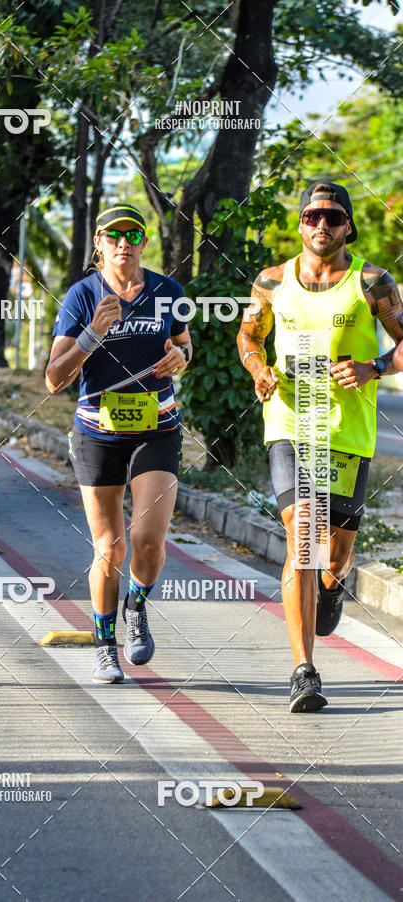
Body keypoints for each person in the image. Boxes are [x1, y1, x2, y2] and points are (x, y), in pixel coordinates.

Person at [237, 180, 403, 713]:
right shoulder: (271, 281)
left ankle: (335, 583)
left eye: (332, 217)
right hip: (290, 419)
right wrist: (260, 370)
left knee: (335, 550)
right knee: (301, 533)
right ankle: (303, 670)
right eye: (312, 216)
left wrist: (374, 366)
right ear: (301, 223)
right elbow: (248, 337)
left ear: (347, 225)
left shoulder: (373, 282)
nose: (321, 225)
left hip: (347, 429)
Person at [45, 203, 192, 683]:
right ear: (99, 245)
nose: (123, 243)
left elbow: (184, 343)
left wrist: (180, 358)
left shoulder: (168, 291)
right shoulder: (82, 295)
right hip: (98, 433)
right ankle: (105, 645)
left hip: (158, 427)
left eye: (132, 234)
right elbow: (53, 379)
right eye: (113, 236)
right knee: (110, 546)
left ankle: (138, 604)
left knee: (148, 541)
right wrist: (92, 334)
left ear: (143, 241)